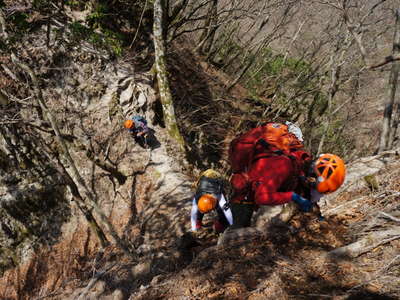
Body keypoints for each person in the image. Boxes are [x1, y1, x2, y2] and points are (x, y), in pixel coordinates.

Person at [229, 121, 346, 228]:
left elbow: (305, 193)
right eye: (313, 184)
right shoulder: (283, 165)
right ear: (312, 175)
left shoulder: (301, 163)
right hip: (244, 197)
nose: (311, 186)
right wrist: (292, 197)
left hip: (258, 192)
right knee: (237, 235)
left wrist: (317, 215)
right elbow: (262, 197)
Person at [190, 169, 233, 233]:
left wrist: (231, 225)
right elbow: (193, 213)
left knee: (221, 211)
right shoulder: (197, 197)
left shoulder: (220, 197)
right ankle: (198, 223)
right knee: (199, 210)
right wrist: (194, 229)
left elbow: (227, 212)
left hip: (216, 179)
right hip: (204, 178)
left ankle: (220, 226)